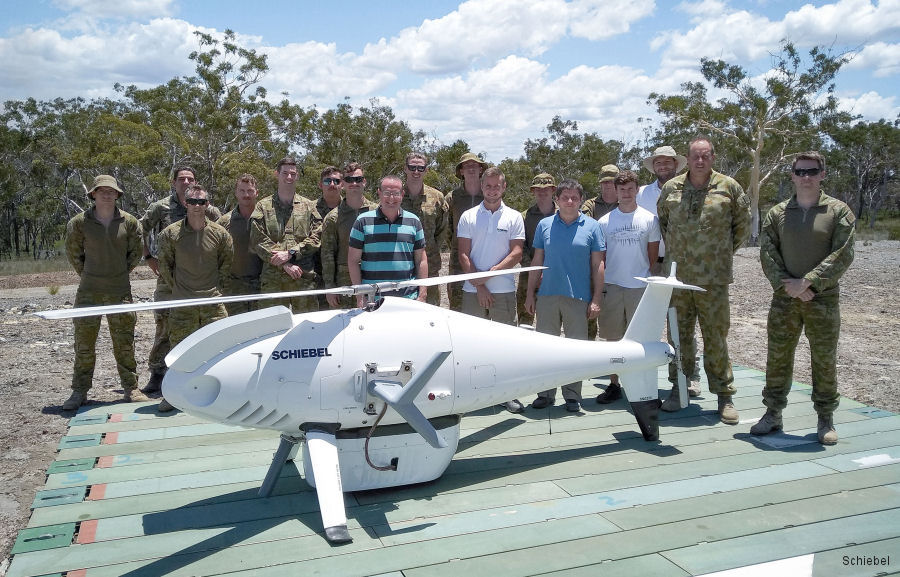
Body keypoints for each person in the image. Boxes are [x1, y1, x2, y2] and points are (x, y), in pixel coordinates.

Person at [752, 151, 855, 445]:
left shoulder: (839, 212)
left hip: (822, 299)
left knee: (823, 359)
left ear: (822, 174)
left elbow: (843, 254)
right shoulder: (778, 213)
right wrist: (789, 286)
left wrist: (808, 282)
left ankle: (825, 418)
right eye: (800, 172)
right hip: (784, 297)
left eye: (812, 171)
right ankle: (772, 414)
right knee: (778, 356)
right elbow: (768, 252)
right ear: (793, 176)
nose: (806, 177)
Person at [657, 136, 751, 424]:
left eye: (705, 155)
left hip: (713, 279)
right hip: (679, 279)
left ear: (713, 157)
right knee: (678, 337)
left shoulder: (729, 187)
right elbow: (664, 224)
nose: (700, 161)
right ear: (688, 158)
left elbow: (742, 227)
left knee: (716, 338)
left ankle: (724, 396)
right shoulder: (672, 188)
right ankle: (679, 388)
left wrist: (718, 253)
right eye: (695, 156)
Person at [62, 175, 148, 410]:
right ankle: (79, 392)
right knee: (84, 344)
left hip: (120, 291)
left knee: (124, 343)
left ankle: (131, 388)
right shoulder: (79, 223)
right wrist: (91, 274)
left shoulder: (129, 222)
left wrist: (117, 274)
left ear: (117, 195)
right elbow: (74, 254)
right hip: (89, 292)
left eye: (111, 191)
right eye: (102, 191)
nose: (107, 195)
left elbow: (135, 253)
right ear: (93, 194)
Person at [139, 166, 221, 394]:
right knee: (164, 325)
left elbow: (222, 231)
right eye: (181, 179)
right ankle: (158, 373)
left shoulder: (206, 207)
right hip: (169, 278)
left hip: (200, 279)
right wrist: (148, 257)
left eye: (190, 179)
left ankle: (198, 373)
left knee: (201, 325)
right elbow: (139, 230)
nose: (186, 182)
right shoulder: (160, 207)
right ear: (173, 182)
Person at [525, 179, 605, 412]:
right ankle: (545, 394)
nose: (569, 201)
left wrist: (596, 299)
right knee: (546, 349)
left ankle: (572, 396)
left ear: (581, 200)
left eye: (574, 197)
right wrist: (531, 294)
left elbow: (598, 265)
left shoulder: (592, 227)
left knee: (575, 350)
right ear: (556, 200)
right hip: (548, 295)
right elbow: (537, 261)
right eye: (564, 197)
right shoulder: (545, 225)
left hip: (578, 297)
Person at [156, 184, 233, 412]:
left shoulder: (220, 234)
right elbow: (166, 268)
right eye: (192, 202)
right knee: (179, 353)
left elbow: (225, 267)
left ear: (207, 204)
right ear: (185, 204)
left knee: (220, 350)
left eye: (201, 202)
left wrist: (212, 291)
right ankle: (173, 396)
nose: (197, 206)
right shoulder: (170, 234)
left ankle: (224, 395)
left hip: (213, 304)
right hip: (183, 304)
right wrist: (182, 292)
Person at [457, 167, 525, 414]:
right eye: (488, 185)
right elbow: (463, 253)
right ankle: (475, 396)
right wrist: (480, 285)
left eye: (497, 186)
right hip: (472, 289)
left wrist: (491, 274)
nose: (492, 190)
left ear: (504, 187)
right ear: (482, 186)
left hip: (504, 290)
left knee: (505, 344)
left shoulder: (515, 217)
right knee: (472, 344)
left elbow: (517, 252)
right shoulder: (468, 216)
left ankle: (508, 394)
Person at [594, 170, 661, 404]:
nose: (626, 193)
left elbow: (652, 258)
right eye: (621, 189)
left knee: (641, 340)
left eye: (630, 189)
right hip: (613, 286)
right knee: (612, 339)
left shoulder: (650, 219)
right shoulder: (604, 222)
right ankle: (614, 384)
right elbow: (600, 258)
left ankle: (643, 385)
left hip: (639, 288)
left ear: (636, 189)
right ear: (616, 191)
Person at [249, 156, 322, 312]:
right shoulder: (263, 206)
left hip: (303, 279)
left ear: (297, 176)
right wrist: (284, 264)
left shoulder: (308, 206)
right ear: (277, 174)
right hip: (273, 282)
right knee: (272, 329)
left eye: (293, 174)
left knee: (307, 329)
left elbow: (317, 236)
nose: (289, 177)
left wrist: (291, 253)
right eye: (285, 173)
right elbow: (258, 240)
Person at [348, 175, 427, 307]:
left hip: (408, 298)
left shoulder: (414, 221)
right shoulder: (362, 221)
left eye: (396, 193)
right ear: (379, 193)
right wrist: (360, 296)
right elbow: (353, 261)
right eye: (387, 193)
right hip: (373, 299)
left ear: (402, 194)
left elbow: (421, 260)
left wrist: (422, 294)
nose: (391, 198)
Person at [320, 161, 377, 309]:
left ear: (364, 182)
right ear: (343, 184)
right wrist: (330, 287)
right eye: (349, 180)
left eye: (358, 179)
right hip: (343, 281)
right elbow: (327, 254)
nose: (354, 183)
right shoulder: (333, 217)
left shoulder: (377, 212)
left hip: (373, 275)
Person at [401, 152, 448, 306]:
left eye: (420, 168)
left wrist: (432, 249)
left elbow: (442, 230)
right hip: (400, 267)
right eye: (412, 167)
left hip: (430, 268)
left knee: (431, 312)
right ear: (405, 169)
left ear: (426, 170)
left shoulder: (437, 197)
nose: (416, 172)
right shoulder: (395, 195)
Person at [445, 152, 487, 311]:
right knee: (457, 303)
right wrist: (457, 246)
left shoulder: (489, 194)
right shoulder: (452, 197)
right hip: (458, 259)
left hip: (486, 255)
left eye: (475, 165)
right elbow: (447, 227)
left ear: (481, 169)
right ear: (461, 171)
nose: (471, 169)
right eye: (466, 166)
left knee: (485, 301)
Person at [581, 163, 618, 341]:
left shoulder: (626, 201)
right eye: (605, 182)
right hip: (593, 267)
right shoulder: (590, 205)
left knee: (614, 317)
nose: (608, 186)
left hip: (618, 268)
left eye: (612, 182)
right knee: (589, 315)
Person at [217, 174, 263, 316]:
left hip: (262, 286)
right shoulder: (224, 222)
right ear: (236, 193)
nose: (246, 195)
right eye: (242, 191)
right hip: (233, 288)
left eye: (250, 191)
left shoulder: (266, 218)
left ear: (257, 193)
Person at [637, 145, 686, 275]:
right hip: (651, 265)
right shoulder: (640, 194)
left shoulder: (690, 191)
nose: (662, 166)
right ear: (654, 167)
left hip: (685, 264)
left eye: (667, 162)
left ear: (675, 164)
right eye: (658, 162)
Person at [517, 173, 557, 327]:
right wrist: (535, 270)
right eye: (538, 189)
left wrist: (547, 271)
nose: (542, 192)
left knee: (550, 322)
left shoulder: (564, 214)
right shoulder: (524, 216)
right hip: (528, 275)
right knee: (525, 320)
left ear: (553, 190)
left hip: (556, 275)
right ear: (532, 191)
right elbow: (520, 247)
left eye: (546, 188)